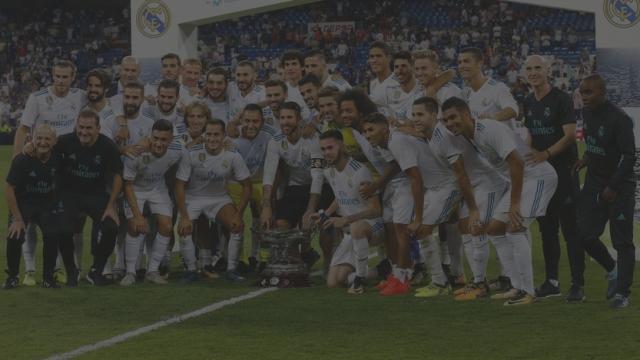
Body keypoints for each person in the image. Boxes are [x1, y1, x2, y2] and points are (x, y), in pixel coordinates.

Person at [442, 97, 558, 305]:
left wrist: (514, 204)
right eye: (446, 120)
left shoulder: (489, 130)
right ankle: (516, 286)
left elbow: (517, 163)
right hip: (522, 180)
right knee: (494, 229)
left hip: (538, 177)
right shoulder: (469, 136)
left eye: (453, 117)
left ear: (467, 113)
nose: (450, 123)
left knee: (515, 227)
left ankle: (528, 292)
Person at [14, 60, 86, 286]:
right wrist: (19, 160)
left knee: (60, 220)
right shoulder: (37, 98)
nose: (61, 81)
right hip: (38, 161)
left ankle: (60, 268)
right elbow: (24, 128)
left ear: (73, 77)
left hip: (65, 167)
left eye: (65, 77)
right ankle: (30, 270)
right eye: (57, 76)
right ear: (52, 76)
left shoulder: (80, 96)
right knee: (31, 221)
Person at [521, 55, 584, 301]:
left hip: (564, 171)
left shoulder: (561, 98)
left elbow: (570, 135)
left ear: (548, 71)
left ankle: (578, 284)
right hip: (542, 176)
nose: (534, 72)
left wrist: (545, 154)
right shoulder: (527, 101)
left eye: (538, 68)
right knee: (547, 229)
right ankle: (552, 281)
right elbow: (530, 135)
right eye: (529, 69)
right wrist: (526, 155)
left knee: (571, 230)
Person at [574, 74, 636, 309]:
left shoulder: (620, 119)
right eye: (581, 92)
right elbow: (595, 144)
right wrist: (585, 159)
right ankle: (612, 270)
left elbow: (629, 156)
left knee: (622, 242)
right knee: (583, 235)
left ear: (602, 92)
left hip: (620, 187)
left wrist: (613, 186)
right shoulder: (587, 112)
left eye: (588, 92)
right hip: (594, 183)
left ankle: (623, 294)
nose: (583, 97)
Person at [176, 119, 252, 282]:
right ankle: (190, 270)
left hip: (219, 198)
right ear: (204, 135)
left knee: (237, 226)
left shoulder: (233, 156)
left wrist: (239, 214)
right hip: (193, 198)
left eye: (216, 134)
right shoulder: (191, 153)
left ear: (224, 136)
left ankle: (232, 269)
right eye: (208, 134)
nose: (212, 139)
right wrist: (183, 216)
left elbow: (247, 186)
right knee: (183, 228)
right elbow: (179, 186)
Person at [55, 110, 123, 285]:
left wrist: (111, 205)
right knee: (63, 230)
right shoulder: (63, 141)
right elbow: (44, 150)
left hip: (96, 195)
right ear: (76, 126)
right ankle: (72, 272)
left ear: (98, 128)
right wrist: (30, 146)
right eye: (81, 127)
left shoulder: (108, 146)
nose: (84, 132)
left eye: (89, 128)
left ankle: (96, 270)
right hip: (69, 194)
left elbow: (117, 175)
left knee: (111, 228)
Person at [313, 129, 384, 294]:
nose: (326, 153)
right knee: (334, 282)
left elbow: (375, 210)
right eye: (323, 149)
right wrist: (326, 214)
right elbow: (340, 195)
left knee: (357, 227)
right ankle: (381, 270)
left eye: (330, 148)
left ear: (342, 146)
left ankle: (359, 281)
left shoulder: (360, 171)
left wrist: (347, 220)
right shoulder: (329, 171)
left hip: (374, 226)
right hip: (352, 230)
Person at [4, 125, 74, 289]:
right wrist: (17, 218)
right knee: (15, 234)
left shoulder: (59, 158)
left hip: (47, 204)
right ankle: (13, 277)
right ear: (32, 139)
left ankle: (48, 278)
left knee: (52, 235)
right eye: (39, 138)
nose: (43, 142)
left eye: (47, 139)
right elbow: (8, 189)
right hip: (24, 204)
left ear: (54, 141)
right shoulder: (22, 159)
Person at [260, 101, 324, 270]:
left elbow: (318, 176)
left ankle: (320, 257)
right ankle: (297, 259)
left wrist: (310, 210)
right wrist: (266, 205)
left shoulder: (313, 140)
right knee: (281, 223)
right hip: (295, 186)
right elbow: (269, 174)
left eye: (289, 117)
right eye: (282, 117)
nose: (285, 122)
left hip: (319, 188)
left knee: (311, 225)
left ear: (298, 119)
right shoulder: (275, 141)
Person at [120, 119, 184, 286]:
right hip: (135, 189)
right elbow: (127, 185)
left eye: (163, 140)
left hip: (157, 188)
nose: (158, 143)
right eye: (155, 138)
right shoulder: (137, 152)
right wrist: (138, 216)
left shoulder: (178, 150)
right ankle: (130, 272)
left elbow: (194, 144)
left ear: (170, 140)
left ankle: (152, 271)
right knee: (135, 225)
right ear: (150, 136)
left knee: (167, 226)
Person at [228, 104, 278, 272]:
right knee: (235, 221)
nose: (251, 125)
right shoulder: (231, 137)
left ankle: (261, 258)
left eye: (255, 121)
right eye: (247, 121)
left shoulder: (271, 135)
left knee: (264, 218)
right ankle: (239, 261)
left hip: (259, 182)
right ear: (241, 121)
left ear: (263, 122)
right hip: (236, 183)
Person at [458, 47, 519, 130]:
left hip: (504, 142)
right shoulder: (467, 94)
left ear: (480, 63)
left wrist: (493, 117)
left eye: (466, 61)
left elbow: (513, 110)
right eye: (460, 62)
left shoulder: (497, 88)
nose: (462, 66)